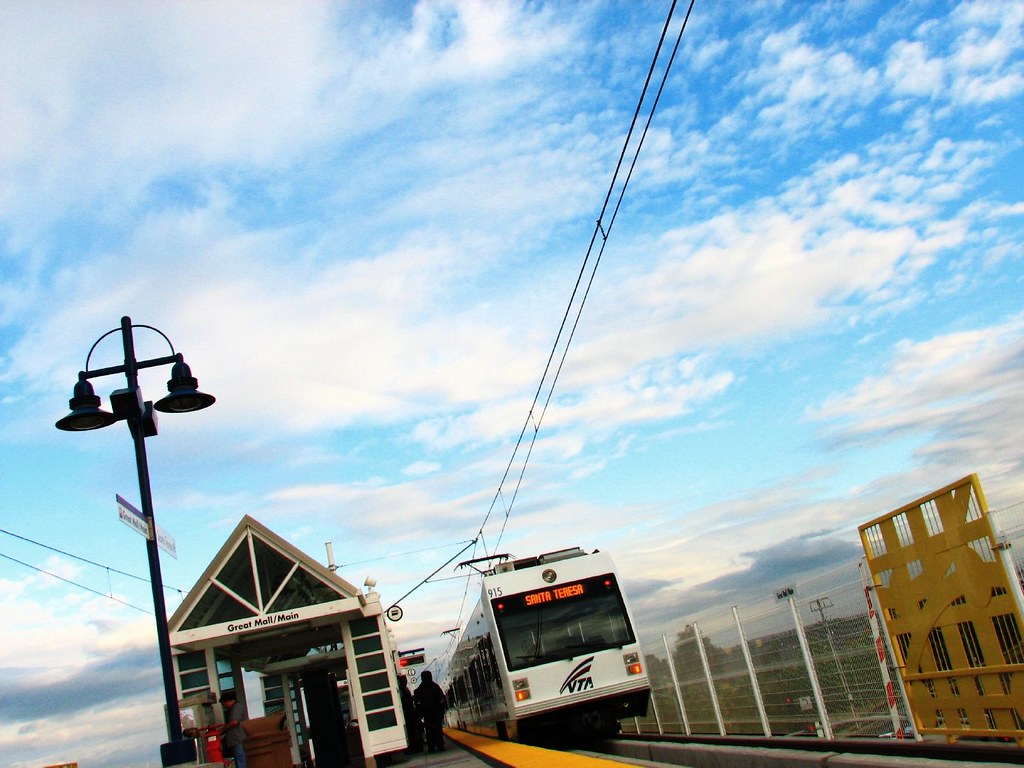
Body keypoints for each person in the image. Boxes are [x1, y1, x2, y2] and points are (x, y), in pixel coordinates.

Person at [413, 670, 446, 753]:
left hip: (426, 714)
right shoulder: (435, 687)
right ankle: (440, 746)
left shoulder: (419, 690)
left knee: (429, 731)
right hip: (436, 713)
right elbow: (442, 699)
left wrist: (421, 714)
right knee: (438, 730)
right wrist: (441, 711)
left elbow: (418, 703)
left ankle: (431, 747)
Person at [215, 689, 248, 768]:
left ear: (227, 701)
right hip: (235, 740)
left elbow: (234, 722)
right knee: (239, 760)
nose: (224, 706)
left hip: (237, 739)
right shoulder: (236, 708)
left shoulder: (237, 707)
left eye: (223, 704)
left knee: (240, 761)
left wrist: (222, 730)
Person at [398, 674, 423, 753]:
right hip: (407, 714)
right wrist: (411, 698)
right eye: (404, 679)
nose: (406, 681)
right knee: (411, 731)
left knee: (413, 730)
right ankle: (413, 747)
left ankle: (415, 746)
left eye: (405, 679)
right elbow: (404, 701)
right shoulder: (401, 689)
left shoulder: (406, 689)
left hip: (410, 713)